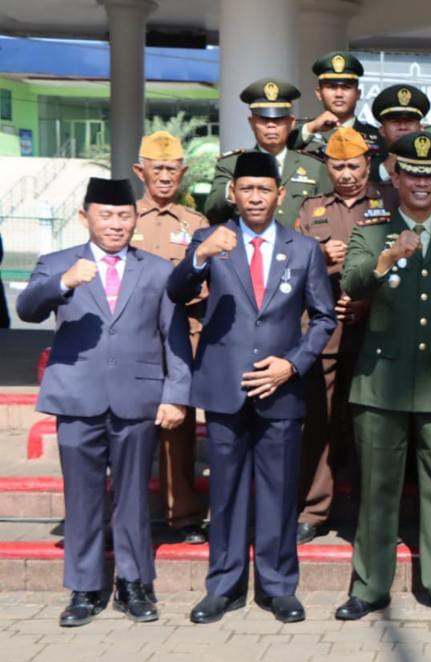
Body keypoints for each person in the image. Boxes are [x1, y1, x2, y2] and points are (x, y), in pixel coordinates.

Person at [168, 151, 336, 625]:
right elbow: (176, 293)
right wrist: (198, 257)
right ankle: (223, 586)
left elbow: (323, 317)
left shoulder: (303, 248)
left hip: (280, 388)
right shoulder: (209, 239)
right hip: (223, 386)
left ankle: (279, 586)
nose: (256, 197)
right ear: (233, 194)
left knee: (280, 493)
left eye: (265, 189)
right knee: (225, 492)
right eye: (247, 189)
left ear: (280, 195)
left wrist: (293, 364)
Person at [17, 178, 191, 627]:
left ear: (136, 218)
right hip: (77, 396)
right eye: (106, 215)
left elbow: (173, 336)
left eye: (124, 215)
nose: (116, 224)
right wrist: (63, 282)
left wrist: (175, 394)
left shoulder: (155, 269)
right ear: (85, 217)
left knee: (133, 496)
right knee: (82, 497)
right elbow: (28, 308)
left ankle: (133, 583)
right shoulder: (57, 263)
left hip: (138, 397)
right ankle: (85, 586)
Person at [335, 131, 431, 622]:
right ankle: (369, 586)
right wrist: (387, 258)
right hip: (380, 386)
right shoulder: (372, 229)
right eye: (412, 172)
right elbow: (351, 282)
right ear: (394, 175)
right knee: (376, 490)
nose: (422, 182)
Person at [291, 128, 384, 545]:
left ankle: (370, 513)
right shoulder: (310, 209)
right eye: (338, 166)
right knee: (320, 427)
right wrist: (317, 255)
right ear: (326, 167)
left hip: (377, 336)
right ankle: (314, 509)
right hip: (324, 337)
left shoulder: (391, 202)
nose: (346, 174)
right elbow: (289, 268)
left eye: (354, 165)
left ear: (368, 163)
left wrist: (369, 302)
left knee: (372, 430)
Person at [131, 130, 210, 545]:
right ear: (139, 170)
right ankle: (131, 514)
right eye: (157, 168)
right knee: (131, 426)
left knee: (178, 425)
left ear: (183, 171)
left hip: (184, 333)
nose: (165, 177)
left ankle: (183, 514)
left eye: (172, 169)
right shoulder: (124, 218)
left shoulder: (195, 223)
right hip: (134, 336)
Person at [206, 78, 332, 226]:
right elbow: (212, 211)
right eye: (264, 119)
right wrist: (234, 188)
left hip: (298, 247)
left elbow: (327, 215)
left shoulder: (313, 166)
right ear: (251, 122)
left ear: (291, 122)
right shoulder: (231, 164)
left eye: (278, 119)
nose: (271, 125)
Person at [290, 51, 382, 159]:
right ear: (319, 93)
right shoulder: (305, 131)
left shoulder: (377, 137)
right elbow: (278, 154)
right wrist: (312, 128)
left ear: (358, 94)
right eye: (331, 87)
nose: (339, 94)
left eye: (346, 87)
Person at [368, 83, 431, 184]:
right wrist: (384, 170)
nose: (403, 127)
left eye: (409, 121)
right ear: (382, 130)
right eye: (394, 121)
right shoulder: (367, 164)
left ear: (421, 128)